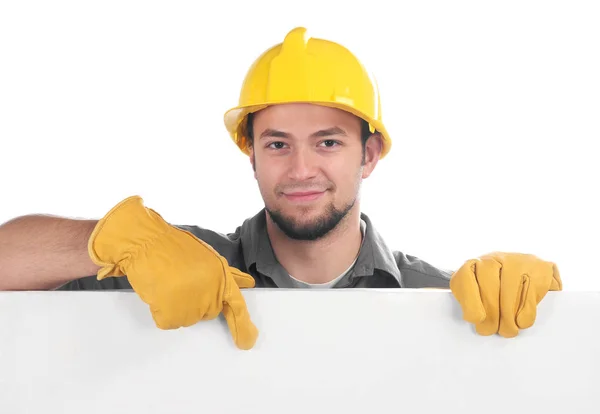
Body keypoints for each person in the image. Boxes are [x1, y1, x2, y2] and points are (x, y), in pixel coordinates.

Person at [0, 27, 562, 350]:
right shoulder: (177, 265)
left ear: (369, 154)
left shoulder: (440, 302)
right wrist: (108, 241)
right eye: (276, 144)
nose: (299, 170)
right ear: (251, 154)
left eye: (327, 143)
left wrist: (554, 316)